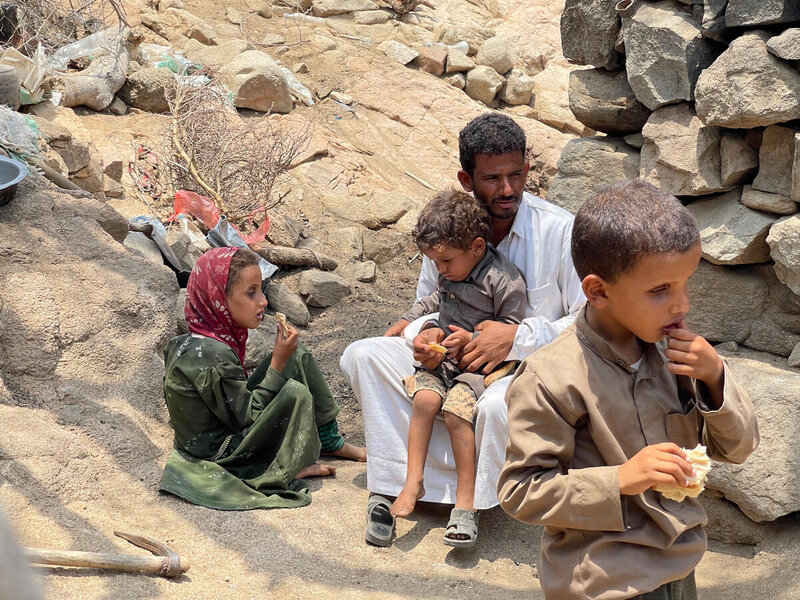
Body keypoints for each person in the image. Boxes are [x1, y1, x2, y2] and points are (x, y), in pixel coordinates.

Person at [497, 180, 760, 599]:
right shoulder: (551, 377)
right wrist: (620, 479)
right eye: (660, 291)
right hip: (604, 580)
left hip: (679, 565)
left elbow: (739, 448)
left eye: (684, 284)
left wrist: (714, 377)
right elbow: (521, 492)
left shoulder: (679, 354)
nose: (682, 305)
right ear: (598, 291)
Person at [340, 113, 585, 545]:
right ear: (467, 179)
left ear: (527, 169)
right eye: (492, 178)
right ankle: (397, 481)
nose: (507, 189)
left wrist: (517, 338)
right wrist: (424, 335)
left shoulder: (559, 231)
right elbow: (430, 303)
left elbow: (587, 319)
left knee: (488, 407)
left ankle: (463, 501)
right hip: (452, 352)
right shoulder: (449, 227)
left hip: (523, 366)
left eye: (516, 174)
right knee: (363, 354)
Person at [159, 246, 365, 510]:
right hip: (222, 452)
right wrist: (277, 362)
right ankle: (280, 470)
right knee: (295, 392)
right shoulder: (213, 357)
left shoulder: (196, 341)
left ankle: (329, 440)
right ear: (219, 298)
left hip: (228, 424)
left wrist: (283, 359)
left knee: (297, 353)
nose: (263, 301)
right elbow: (247, 416)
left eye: (261, 290)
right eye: (251, 292)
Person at [389, 189, 527, 548]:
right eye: (436, 263)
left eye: (446, 261)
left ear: (477, 248)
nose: (441, 269)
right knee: (424, 400)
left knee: (456, 413)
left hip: (480, 368)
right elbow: (436, 299)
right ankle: (413, 480)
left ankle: (466, 502)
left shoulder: (504, 279)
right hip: (444, 359)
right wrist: (416, 323)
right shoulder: (449, 270)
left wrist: (472, 337)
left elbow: (510, 329)